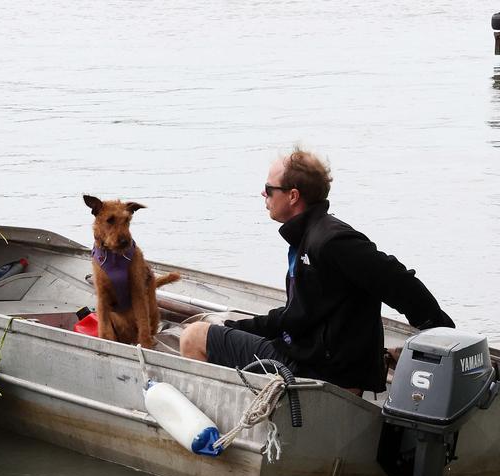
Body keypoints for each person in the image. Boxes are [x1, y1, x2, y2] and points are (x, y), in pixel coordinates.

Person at [178, 147, 453, 393]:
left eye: (269, 188)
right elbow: (296, 316)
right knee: (221, 329)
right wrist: (234, 326)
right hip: (313, 357)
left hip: (319, 370)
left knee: (194, 337)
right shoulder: (311, 237)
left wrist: (442, 333)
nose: (263, 193)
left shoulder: (332, 240)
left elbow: (398, 281)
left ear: (293, 196)